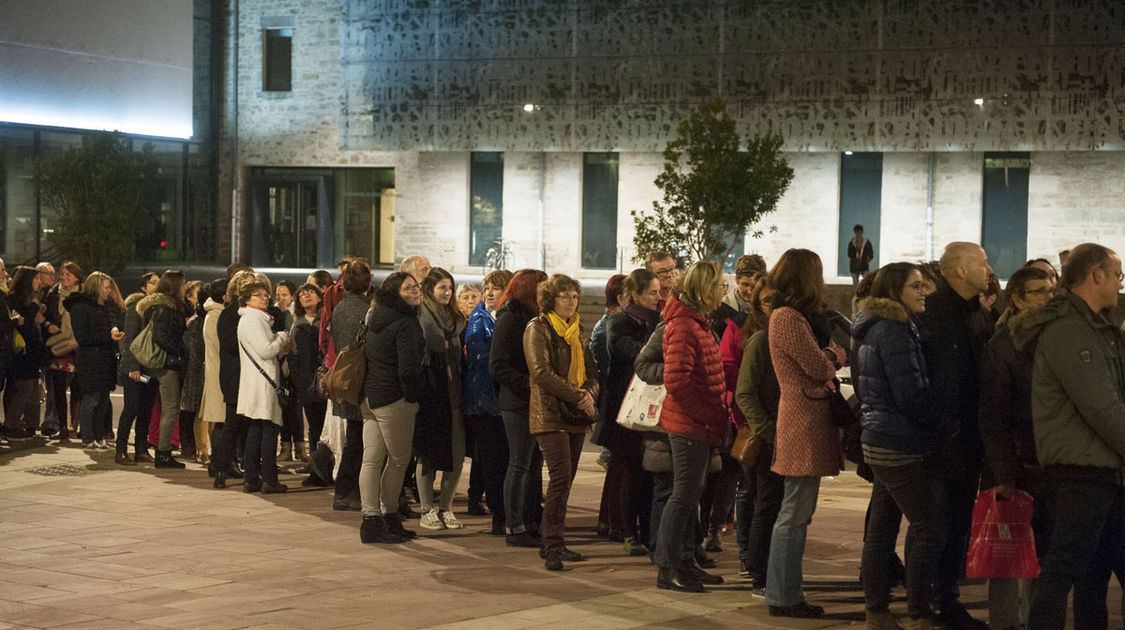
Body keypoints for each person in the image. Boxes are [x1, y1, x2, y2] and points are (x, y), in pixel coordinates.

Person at [1024, 244, 1125, 630]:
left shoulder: (1099, 326)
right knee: (1064, 565)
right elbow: (1102, 407)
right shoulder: (1070, 329)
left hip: (1103, 467)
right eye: (1116, 274)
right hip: (1081, 469)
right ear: (1096, 274)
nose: (1119, 283)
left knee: (1094, 569)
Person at [853, 262, 949, 629]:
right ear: (895, 292)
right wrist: (944, 423)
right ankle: (920, 612)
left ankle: (877, 611)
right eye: (916, 286)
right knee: (929, 525)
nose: (925, 291)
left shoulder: (876, 326)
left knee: (882, 527)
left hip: (879, 437)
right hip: (897, 441)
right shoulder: (894, 329)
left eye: (925, 285)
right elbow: (910, 394)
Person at [915, 242, 993, 629]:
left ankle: (946, 597)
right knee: (934, 526)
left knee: (959, 523)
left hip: (968, 441)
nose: (989, 269)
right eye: (982, 262)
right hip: (938, 441)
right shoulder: (932, 315)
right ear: (960, 270)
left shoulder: (977, 315)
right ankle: (925, 602)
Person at [764, 249, 846, 618]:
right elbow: (815, 366)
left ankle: (789, 592)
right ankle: (783, 596)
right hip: (801, 419)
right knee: (794, 512)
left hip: (808, 417)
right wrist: (834, 358)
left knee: (799, 511)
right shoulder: (787, 317)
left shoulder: (795, 316)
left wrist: (827, 357)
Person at [978, 265, 1055, 630]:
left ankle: (1035, 619)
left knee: (1046, 551)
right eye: (1040, 291)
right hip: (1018, 461)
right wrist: (1003, 473)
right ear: (1020, 300)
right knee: (1008, 550)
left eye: (1052, 290)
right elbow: (994, 414)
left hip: (1049, 459)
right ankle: (1005, 622)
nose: (1048, 297)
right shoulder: (1005, 344)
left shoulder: (1055, 337)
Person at [651, 260, 729, 592]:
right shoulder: (683, 324)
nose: (723, 292)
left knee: (689, 495)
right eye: (719, 286)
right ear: (703, 289)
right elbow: (677, 382)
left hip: (699, 423)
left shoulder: (696, 322)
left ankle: (684, 562)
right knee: (682, 495)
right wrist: (706, 414)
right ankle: (668, 567)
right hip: (689, 424)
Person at [524, 273, 599, 570]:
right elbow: (540, 372)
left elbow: (593, 373)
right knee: (559, 478)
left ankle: (556, 540)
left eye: (575, 295)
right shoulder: (538, 328)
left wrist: (587, 393)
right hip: (551, 412)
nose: (572, 300)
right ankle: (551, 544)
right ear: (551, 299)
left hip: (576, 414)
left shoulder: (577, 331)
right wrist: (577, 395)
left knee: (565, 482)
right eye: (565, 295)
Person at [594, 268, 660, 556]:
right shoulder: (618, 322)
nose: (659, 298)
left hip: (649, 405)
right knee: (630, 471)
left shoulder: (658, 321)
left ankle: (647, 532)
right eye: (653, 293)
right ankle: (626, 530)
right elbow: (636, 355)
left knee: (647, 473)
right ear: (636, 294)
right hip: (624, 407)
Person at [359, 272, 425, 543]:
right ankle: (389, 515)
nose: (415, 291)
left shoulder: (375, 316)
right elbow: (408, 369)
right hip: (393, 399)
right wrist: (412, 397)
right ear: (395, 293)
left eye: (416, 286)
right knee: (398, 460)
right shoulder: (406, 322)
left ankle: (370, 520)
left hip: (370, 397)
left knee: (372, 459)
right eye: (408, 288)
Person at [490, 269, 549, 547]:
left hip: (532, 400)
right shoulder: (511, 318)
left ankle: (531, 520)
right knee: (519, 464)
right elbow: (498, 365)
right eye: (542, 286)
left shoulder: (533, 317)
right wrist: (529, 383)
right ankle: (514, 526)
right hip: (517, 402)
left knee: (533, 463)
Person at [732, 274, 783, 594]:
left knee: (770, 500)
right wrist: (765, 430)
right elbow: (745, 392)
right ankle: (758, 568)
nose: (774, 307)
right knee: (764, 499)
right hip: (766, 433)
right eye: (768, 302)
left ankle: (761, 564)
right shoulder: (759, 338)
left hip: (780, 430)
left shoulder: (780, 336)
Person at [414, 267, 468, 530]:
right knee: (428, 455)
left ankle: (446, 507)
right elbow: (428, 345)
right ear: (429, 290)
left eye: (449, 288)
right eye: (441, 288)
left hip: (456, 393)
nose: (447, 293)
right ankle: (427, 508)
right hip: (431, 392)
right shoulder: (422, 314)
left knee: (457, 455)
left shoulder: (456, 319)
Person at [463, 269, 514, 535]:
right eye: (488, 287)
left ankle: (507, 511)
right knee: (492, 460)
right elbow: (478, 354)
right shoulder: (478, 319)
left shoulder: (506, 316)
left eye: (496, 287)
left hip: (501, 398)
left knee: (505, 459)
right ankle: (498, 514)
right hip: (483, 400)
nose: (490, 292)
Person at [237, 280, 292, 494]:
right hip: (262, 384)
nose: (265, 298)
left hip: (257, 383)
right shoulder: (252, 320)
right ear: (247, 300)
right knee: (268, 430)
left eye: (265, 294)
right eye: (259, 295)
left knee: (256, 430)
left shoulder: (255, 319)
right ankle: (269, 479)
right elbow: (266, 350)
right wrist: (282, 336)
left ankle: (251, 478)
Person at [330, 260, 375, 511]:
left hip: (346, 378)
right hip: (363, 380)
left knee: (354, 439)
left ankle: (345, 492)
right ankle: (348, 492)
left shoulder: (340, 308)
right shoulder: (368, 309)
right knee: (359, 441)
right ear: (368, 284)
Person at [136, 270, 191, 469]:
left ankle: (163, 450)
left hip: (165, 363)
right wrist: (179, 353)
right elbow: (161, 336)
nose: (186, 287)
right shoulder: (166, 308)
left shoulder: (165, 306)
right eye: (183, 284)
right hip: (166, 364)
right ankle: (163, 453)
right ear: (175, 286)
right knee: (170, 408)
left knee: (168, 407)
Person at [67, 272, 125, 454]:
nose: (109, 291)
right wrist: (107, 335)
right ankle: (87, 437)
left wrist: (114, 329)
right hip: (89, 360)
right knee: (91, 399)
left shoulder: (104, 306)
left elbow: (114, 321)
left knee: (102, 400)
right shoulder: (80, 307)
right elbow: (83, 337)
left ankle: (99, 436)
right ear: (96, 287)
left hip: (105, 359)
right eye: (106, 287)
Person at [590, 273, 625, 537]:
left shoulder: (615, 322)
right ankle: (610, 520)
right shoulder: (608, 326)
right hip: (613, 402)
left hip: (614, 401)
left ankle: (609, 519)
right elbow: (607, 369)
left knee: (618, 464)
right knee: (617, 462)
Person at [116, 273, 161, 462]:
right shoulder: (137, 308)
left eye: (159, 282)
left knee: (146, 409)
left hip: (151, 369)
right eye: (153, 283)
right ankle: (120, 450)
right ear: (144, 287)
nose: (157, 285)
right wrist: (133, 367)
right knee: (132, 408)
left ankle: (141, 449)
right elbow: (130, 339)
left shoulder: (157, 308)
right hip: (136, 369)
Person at [4, 267, 46, 442]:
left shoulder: (30, 299)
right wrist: (35, 306)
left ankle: (18, 424)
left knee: (27, 388)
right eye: (35, 279)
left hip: (31, 351)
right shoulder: (16, 299)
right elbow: (24, 322)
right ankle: (10, 425)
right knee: (22, 388)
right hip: (21, 351)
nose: (39, 283)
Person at [42, 261, 83, 440]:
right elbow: (44, 318)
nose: (64, 277)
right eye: (62, 274)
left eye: (69, 274)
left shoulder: (83, 294)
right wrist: (48, 325)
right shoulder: (52, 294)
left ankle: (76, 425)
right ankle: (62, 429)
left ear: (77, 278)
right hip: (59, 345)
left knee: (78, 388)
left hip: (79, 346)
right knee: (58, 389)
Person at [290, 282, 326, 462]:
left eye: (311, 292)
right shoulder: (297, 324)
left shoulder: (326, 320)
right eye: (302, 294)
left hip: (325, 379)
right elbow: (294, 356)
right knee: (314, 425)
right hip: (306, 383)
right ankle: (315, 464)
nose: (306, 295)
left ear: (320, 297)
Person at [199, 279, 228, 467]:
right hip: (219, 373)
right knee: (220, 421)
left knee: (222, 421)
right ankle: (218, 465)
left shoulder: (217, 314)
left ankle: (220, 464)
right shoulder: (216, 316)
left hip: (219, 372)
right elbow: (222, 347)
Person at [179, 280, 209, 462]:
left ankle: (201, 448)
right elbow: (192, 351)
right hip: (197, 373)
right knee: (196, 411)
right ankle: (196, 449)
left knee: (206, 412)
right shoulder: (196, 322)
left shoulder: (207, 318)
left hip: (205, 371)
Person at [711, 254, 766, 337]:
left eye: (754, 286)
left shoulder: (766, 308)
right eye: (745, 284)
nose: (749, 291)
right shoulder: (720, 310)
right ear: (736, 280)